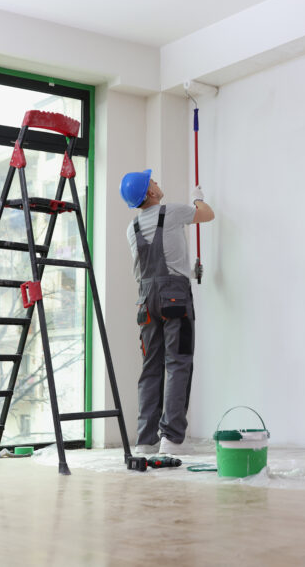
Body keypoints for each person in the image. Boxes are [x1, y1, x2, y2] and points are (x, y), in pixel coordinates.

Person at [119, 169, 214, 456]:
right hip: (175, 297)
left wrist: (187, 269)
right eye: (153, 181)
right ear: (150, 193)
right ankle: (172, 439)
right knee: (178, 363)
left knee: (151, 368)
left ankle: (146, 441)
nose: (157, 183)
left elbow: (153, 264)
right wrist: (197, 199)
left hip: (146, 302)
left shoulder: (132, 227)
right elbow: (207, 215)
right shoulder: (171, 212)